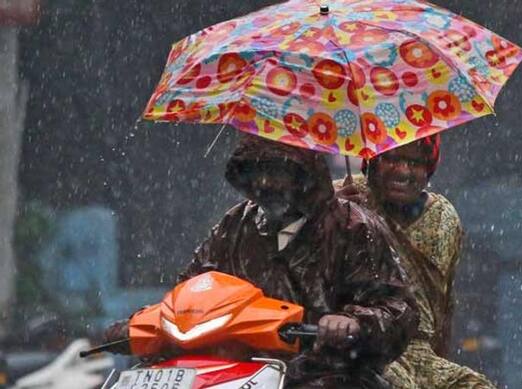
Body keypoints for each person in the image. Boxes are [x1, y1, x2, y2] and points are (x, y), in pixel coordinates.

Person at [106, 134, 418, 389]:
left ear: (304, 173)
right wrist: (147, 323)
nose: (265, 182)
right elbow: (191, 291)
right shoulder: (235, 224)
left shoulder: (355, 227)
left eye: (276, 170)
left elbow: (397, 310)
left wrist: (353, 323)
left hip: (326, 376)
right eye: (256, 171)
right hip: (233, 374)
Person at [334, 135, 496, 389]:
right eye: (392, 158)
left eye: (415, 163)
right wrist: (330, 218)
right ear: (372, 161)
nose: (403, 171)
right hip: (362, 346)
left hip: (420, 354)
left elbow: (443, 304)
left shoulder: (443, 217)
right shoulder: (340, 198)